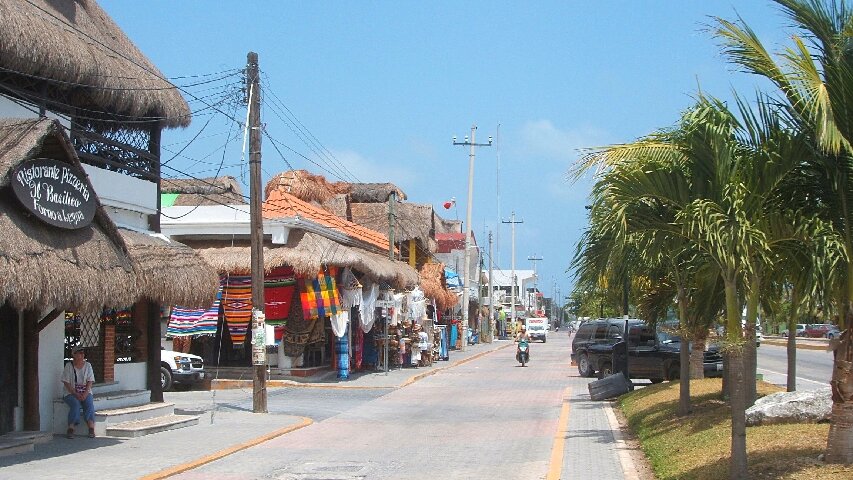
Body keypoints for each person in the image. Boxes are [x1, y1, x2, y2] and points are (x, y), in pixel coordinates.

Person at [61, 346, 96, 438]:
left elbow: (90, 381)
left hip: (85, 391)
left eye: (82, 353)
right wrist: (75, 393)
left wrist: (85, 393)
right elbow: (66, 382)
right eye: (79, 353)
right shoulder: (69, 366)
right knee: (75, 404)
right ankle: (71, 427)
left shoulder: (88, 365)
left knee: (89, 402)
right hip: (70, 392)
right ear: (74, 354)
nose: (82, 355)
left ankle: (91, 427)